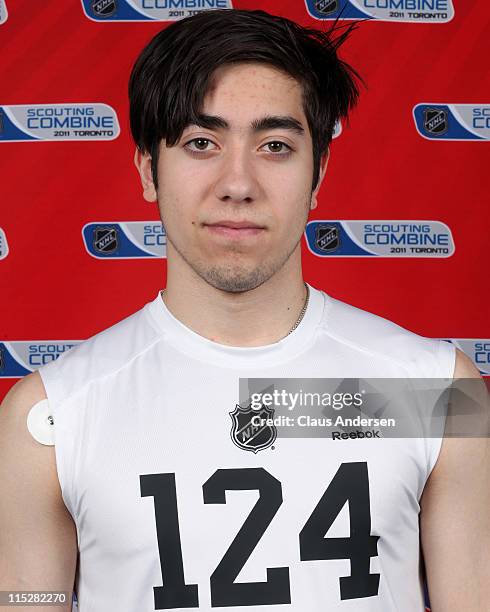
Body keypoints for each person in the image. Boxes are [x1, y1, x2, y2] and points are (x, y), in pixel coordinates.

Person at [0, 8, 488, 612]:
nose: (238, 182)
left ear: (319, 173)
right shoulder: (51, 418)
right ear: (148, 169)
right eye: (201, 143)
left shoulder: (436, 391)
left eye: (275, 146)